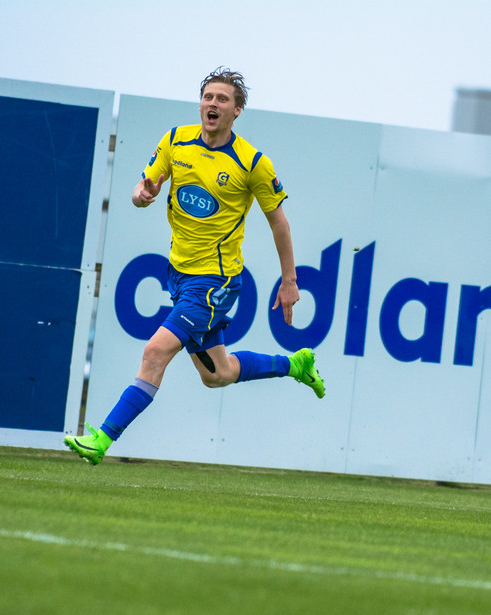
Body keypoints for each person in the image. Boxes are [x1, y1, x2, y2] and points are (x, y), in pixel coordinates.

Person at [65, 66, 324, 465]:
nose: (212, 104)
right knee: (217, 375)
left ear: (236, 111)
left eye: (222, 99)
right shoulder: (175, 140)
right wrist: (141, 195)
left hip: (215, 281)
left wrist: (289, 281)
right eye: (208, 97)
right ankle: (295, 364)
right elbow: (141, 189)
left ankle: (102, 439)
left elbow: (279, 224)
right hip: (179, 275)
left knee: (155, 352)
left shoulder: (253, 162)